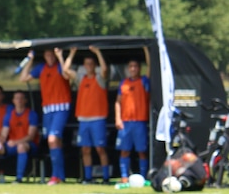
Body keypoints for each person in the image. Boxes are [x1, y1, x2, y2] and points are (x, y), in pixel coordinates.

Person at [21, 47, 73, 185]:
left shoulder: (59, 66)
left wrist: (61, 56)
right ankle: (60, 176)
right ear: (44, 55)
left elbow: (66, 75)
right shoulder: (41, 68)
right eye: (48, 54)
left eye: (52, 55)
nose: (50, 57)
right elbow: (23, 78)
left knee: (52, 139)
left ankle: (55, 175)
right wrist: (30, 61)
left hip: (61, 107)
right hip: (47, 109)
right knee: (55, 143)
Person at [67, 45, 111, 184]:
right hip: (83, 119)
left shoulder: (100, 79)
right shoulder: (81, 79)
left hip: (98, 118)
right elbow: (65, 70)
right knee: (85, 149)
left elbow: (104, 70)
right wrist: (72, 53)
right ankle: (87, 177)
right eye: (87, 64)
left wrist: (98, 52)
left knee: (100, 149)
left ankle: (105, 177)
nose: (89, 66)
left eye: (91, 64)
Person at [114, 50, 151, 182]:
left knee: (141, 151)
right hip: (125, 122)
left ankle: (143, 176)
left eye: (135, 66)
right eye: (131, 66)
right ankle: (124, 176)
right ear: (128, 69)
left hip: (139, 122)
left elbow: (150, 68)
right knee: (124, 150)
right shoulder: (123, 83)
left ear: (139, 68)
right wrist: (118, 118)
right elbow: (118, 102)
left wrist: (146, 51)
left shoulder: (144, 81)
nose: (133, 69)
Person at [0, 90, 39, 183]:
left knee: (21, 147)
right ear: (13, 100)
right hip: (11, 145)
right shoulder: (9, 115)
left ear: (25, 100)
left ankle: (19, 178)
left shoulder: (31, 114)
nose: (19, 100)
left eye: (21, 98)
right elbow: (4, 134)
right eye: (17, 98)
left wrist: (16, 142)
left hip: (29, 145)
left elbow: (31, 136)